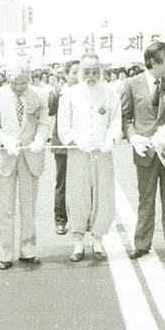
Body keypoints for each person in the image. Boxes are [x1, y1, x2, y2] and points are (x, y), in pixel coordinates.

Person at [0, 59, 51, 270]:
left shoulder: (38, 95)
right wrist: (6, 140)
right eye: (15, 83)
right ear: (7, 79)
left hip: (30, 155)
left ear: (29, 79)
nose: (20, 87)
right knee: (5, 208)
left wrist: (40, 139)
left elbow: (44, 123)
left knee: (29, 205)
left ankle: (28, 249)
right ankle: (5, 253)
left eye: (23, 83)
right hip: (6, 155)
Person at [120, 41, 165, 260]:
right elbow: (125, 117)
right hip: (144, 151)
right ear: (155, 61)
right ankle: (142, 243)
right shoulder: (131, 84)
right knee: (145, 199)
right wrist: (133, 137)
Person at [58, 53, 121, 261]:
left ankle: (98, 240)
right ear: (80, 73)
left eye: (95, 71)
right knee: (77, 195)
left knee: (103, 195)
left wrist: (109, 141)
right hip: (78, 152)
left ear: (100, 71)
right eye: (87, 72)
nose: (91, 76)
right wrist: (76, 142)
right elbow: (64, 124)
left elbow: (115, 121)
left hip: (102, 152)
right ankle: (77, 243)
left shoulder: (110, 93)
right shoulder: (70, 94)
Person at [47, 60, 79, 236]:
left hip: (81, 144)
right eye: (74, 72)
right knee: (62, 183)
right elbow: (50, 111)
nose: (77, 76)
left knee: (82, 183)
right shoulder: (60, 91)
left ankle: (81, 219)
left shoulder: (85, 91)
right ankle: (61, 220)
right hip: (62, 144)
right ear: (66, 75)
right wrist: (55, 91)